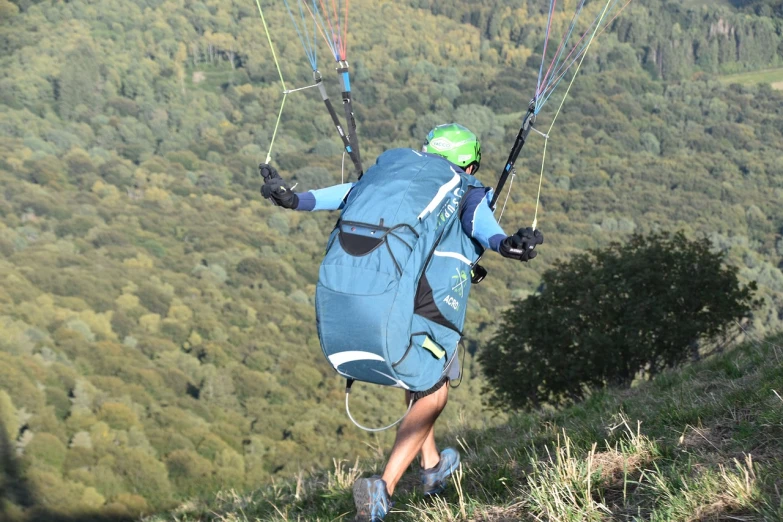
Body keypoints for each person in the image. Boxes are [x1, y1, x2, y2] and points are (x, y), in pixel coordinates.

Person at [260, 123, 543, 521]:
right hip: (428, 306)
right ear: (472, 164)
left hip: (384, 302)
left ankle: (431, 467)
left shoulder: (389, 180)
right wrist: (507, 245)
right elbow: (483, 224)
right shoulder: (466, 189)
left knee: (417, 375)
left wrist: (295, 200)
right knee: (434, 393)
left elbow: (346, 194)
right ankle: (384, 487)